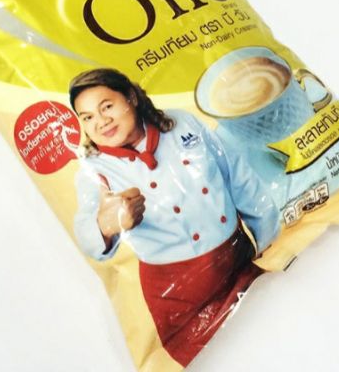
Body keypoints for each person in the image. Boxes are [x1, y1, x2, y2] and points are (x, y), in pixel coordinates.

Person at [70, 68, 280, 366]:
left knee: (276, 328)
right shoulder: (94, 171)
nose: (101, 121)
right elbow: (85, 236)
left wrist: (269, 239)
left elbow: (236, 175)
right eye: (87, 117)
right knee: (225, 361)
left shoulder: (182, 123)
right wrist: (106, 224)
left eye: (107, 106)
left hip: (237, 261)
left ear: (130, 97)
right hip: (178, 296)